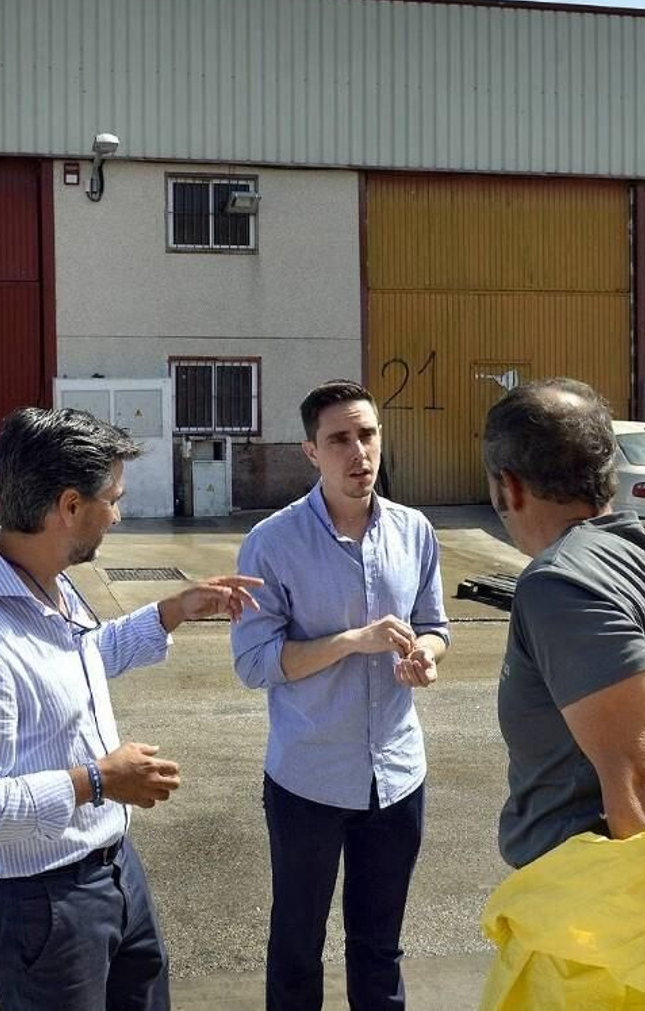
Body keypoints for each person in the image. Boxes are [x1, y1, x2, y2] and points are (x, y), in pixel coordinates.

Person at [0, 406, 260, 1011]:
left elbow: (76, 660)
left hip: (114, 872)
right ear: (69, 507)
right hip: (40, 907)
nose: (119, 514)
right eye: (113, 499)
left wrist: (172, 611)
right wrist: (97, 780)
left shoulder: (43, 575)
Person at [231, 379, 450, 1010]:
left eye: (368, 435)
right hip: (310, 779)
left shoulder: (414, 531)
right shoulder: (273, 542)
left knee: (380, 947)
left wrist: (426, 659)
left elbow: (435, 626)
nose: (359, 453)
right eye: (340, 440)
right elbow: (253, 662)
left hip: (398, 775)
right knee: (298, 947)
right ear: (310, 452)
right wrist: (352, 641)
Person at [481, 378, 645, 869]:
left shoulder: (560, 586)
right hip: (630, 881)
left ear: (509, 486)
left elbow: (644, 781)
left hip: (594, 899)